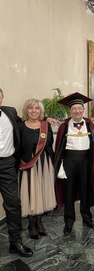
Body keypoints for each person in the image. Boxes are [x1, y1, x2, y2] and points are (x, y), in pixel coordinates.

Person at [54, 92, 94, 235]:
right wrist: (61, 166)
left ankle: (87, 218)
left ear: (83, 109)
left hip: (86, 161)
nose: (77, 111)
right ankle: (69, 222)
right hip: (69, 161)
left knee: (85, 190)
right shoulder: (64, 126)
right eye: (74, 109)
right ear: (70, 110)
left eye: (79, 108)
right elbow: (59, 148)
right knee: (68, 192)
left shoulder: (89, 124)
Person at [0, 88, 33, 257]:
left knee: (13, 204)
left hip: (6, 164)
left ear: (2, 98)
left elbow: (26, 122)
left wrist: (44, 119)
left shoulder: (10, 112)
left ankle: (15, 242)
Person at [18, 99, 56, 239]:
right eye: (30, 108)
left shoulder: (46, 126)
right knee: (30, 193)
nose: (33, 111)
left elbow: (50, 145)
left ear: (41, 111)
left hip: (43, 163)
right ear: (26, 110)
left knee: (42, 192)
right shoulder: (20, 126)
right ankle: (31, 224)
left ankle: (39, 222)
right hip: (28, 165)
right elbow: (17, 146)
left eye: (37, 108)